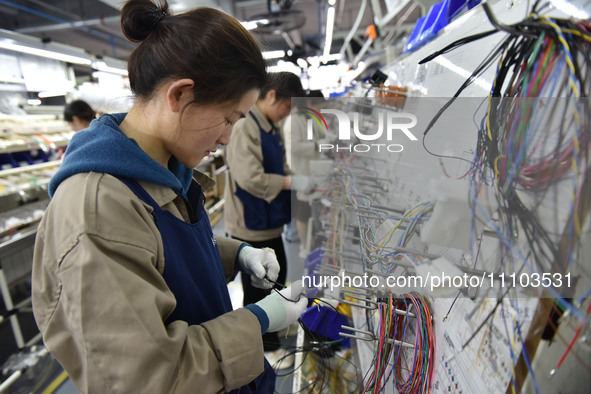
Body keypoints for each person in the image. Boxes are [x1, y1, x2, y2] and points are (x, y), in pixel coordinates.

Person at [31, 1, 307, 393]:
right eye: (228, 118)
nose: (228, 137)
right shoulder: (96, 212)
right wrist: (258, 320)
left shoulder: (162, 171)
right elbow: (150, 376)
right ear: (179, 95)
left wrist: (237, 253)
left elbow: (162, 250)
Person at [224, 71, 313, 368]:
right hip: (251, 222)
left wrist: (294, 175)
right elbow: (250, 177)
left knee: (277, 273)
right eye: (287, 107)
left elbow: (279, 163)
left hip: (268, 219)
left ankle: (272, 327)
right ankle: (263, 345)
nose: (288, 114)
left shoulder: (270, 127)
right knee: (259, 284)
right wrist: (290, 183)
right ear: (272, 96)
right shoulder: (245, 127)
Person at [283, 90, 325, 258]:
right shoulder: (293, 120)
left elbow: (320, 135)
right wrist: (316, 145)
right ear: (309, 104)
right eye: (319, 106)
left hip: (311, 171)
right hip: (298, 171)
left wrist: (329, 139)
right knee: (302, 211)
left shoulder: (310, 120)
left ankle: (308, 243)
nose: (320, 110)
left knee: (308, 208)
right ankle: (304, 247)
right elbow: (293, 146)